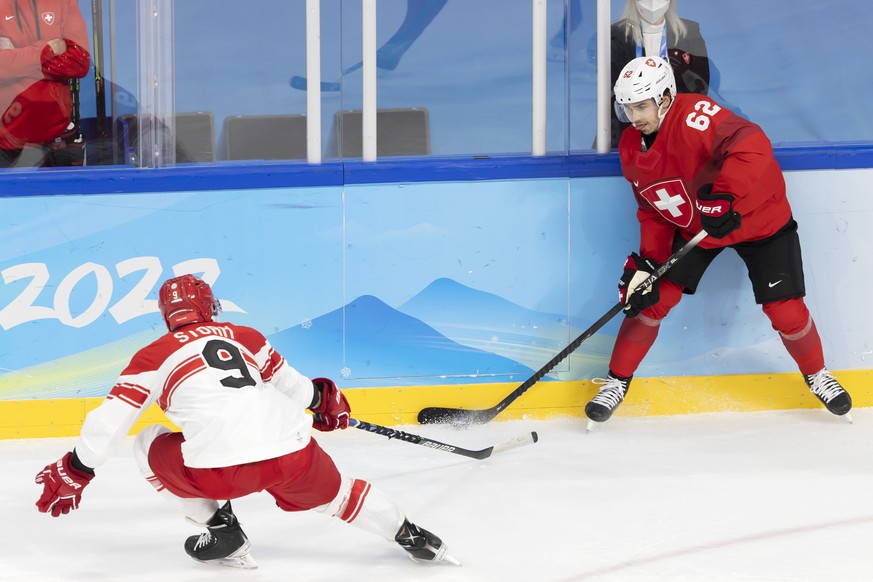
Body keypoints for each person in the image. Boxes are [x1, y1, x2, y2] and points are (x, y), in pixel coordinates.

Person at [35, 274, 459, 569]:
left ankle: (222, 531)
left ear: (168, 315)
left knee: (146, 441)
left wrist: (78, 468)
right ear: (210, 307)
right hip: (293, 453)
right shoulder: (246, 336)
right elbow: (297, 389)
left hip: (218, 473)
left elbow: (110, 420)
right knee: (341, 495)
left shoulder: (152, 355)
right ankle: (413, 536)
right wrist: (325, 403)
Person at [584, 56, 852, 428]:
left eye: (641, 105)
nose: (633, 116)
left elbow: (752, 142)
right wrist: (649, 263)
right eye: (626, 106)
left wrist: (724, 195)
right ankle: (615, 382)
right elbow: (652, 208)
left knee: (785, 311)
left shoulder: (694, 114)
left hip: (760, 221)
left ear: (665, 98)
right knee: (652, 299)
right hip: (699, 230)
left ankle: (817, 374)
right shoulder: (631, 146)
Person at [0, 0, 90, 168]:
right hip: (5, 143)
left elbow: (79, 62)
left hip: (58, 140)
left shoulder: (65, 2)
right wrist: (47, 50)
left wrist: (16, 59)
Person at [607, 0, 709, 148]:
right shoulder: (616, 34)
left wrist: (667, 114)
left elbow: (700, 86)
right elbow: (611, 87)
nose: (653, 3)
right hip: (630, 124)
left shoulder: (689, 31)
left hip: (676, 127)